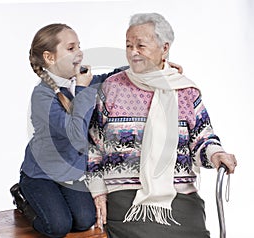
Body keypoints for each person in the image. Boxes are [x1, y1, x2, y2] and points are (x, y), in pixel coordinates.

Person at [86, 12, 237, 238]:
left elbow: (202, 138)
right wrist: (98, 191)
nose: (133, 52)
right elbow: (93, 144)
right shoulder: (112, 87)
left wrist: (216, 154)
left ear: (164, 48)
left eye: (140, 45)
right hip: (125, 198)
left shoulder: (185, 91)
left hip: (178, 196)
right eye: (128, 46)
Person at [9, 23, 126, 238]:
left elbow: (113, 78)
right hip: (41, 175)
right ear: (50, 58)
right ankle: (23, 197)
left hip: (69, 175)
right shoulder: (42, 96)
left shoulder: (80, 82)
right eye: (71, 48)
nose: (79, 52)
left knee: (84, 221)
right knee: (58, 227)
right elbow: (76, 137)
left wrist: (150, 67)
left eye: (79, 46)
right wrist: (82, 90)